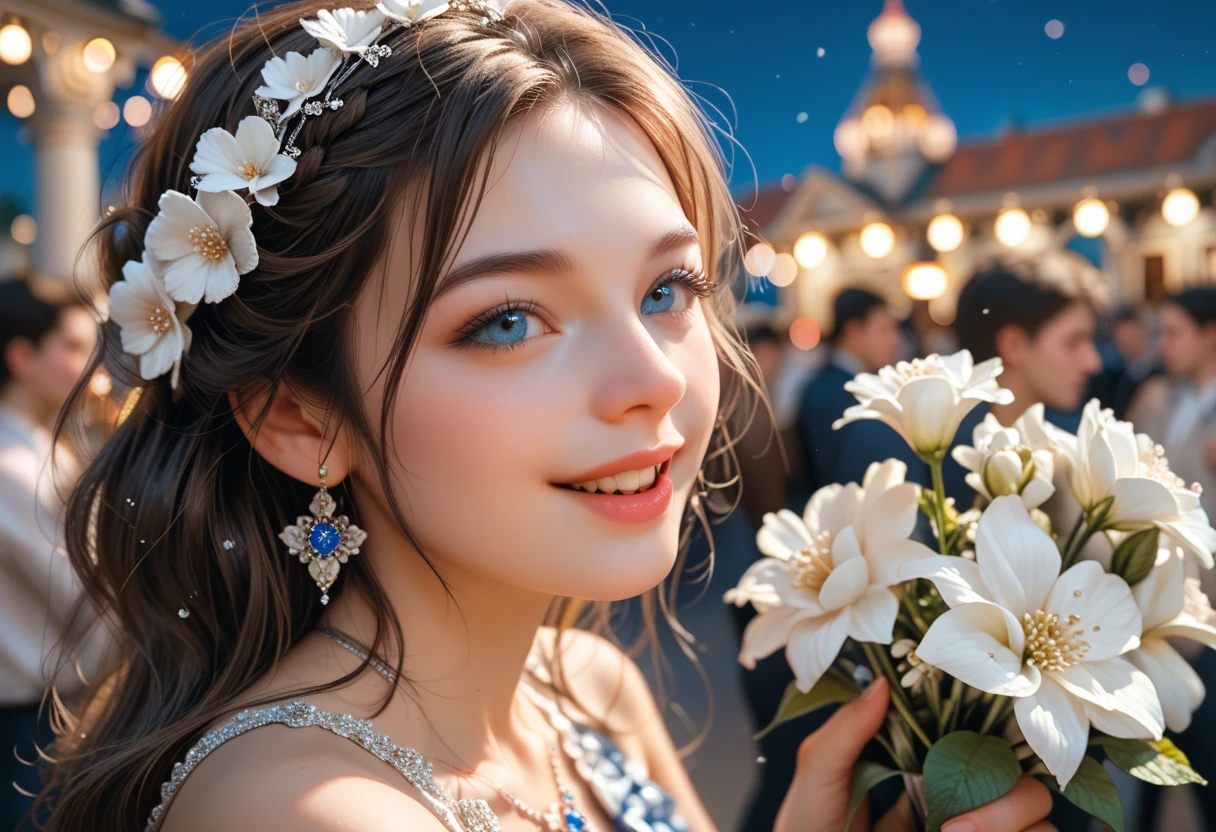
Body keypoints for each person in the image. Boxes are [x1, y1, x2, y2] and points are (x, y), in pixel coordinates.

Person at [37, 3, 1057, 832]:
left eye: (667, 288)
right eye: (509, 319)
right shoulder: (303, 808)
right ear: (299, 418)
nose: (649, 377)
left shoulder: (582, 690)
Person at [0, 278, 101, 830]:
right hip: (25, 729)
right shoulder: (11, 469)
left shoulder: (43, 451)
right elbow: (85, 598)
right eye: (73, 347)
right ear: (21, 355)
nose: (89, 368)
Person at [795, 288, 915, 498]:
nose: (896, 339)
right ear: (853, 331)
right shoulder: (827, 391)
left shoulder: (832, 383)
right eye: (885, 329)